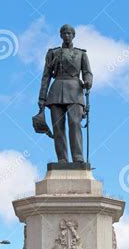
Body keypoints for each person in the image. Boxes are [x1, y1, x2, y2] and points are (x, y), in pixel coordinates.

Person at [38, 24, 93, 164]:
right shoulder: (53, 53)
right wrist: (42, 97)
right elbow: (46, 76)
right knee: (58, 127)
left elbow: (87, 72)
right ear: (61, 35)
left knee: (75, 123)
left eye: (69, 33)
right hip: (56, 91)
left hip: (75, 91)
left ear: (73, 35)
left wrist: (88, 82)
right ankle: (62, 158)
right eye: (64, 33)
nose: (67, 35)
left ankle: (78, 157)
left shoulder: (81, 54)